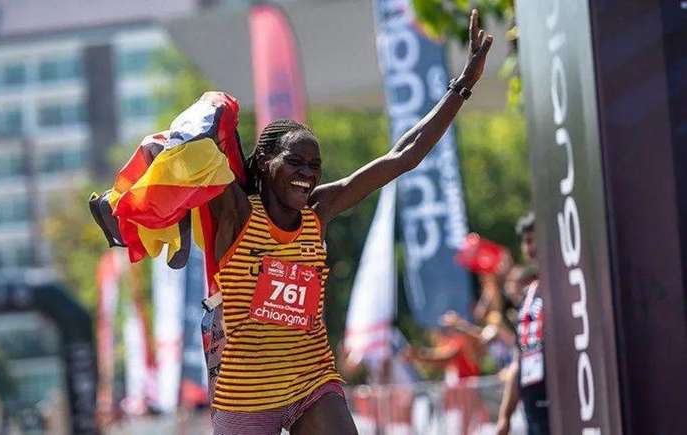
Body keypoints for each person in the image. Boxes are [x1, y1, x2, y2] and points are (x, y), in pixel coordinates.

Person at [99, 9, 491, 434]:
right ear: (265, 163)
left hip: (313, 384)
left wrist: (463, 85)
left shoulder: (318, 212)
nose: (308, 173)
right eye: (296, 162)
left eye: (315, 165)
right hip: (246, 400)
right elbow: (204, 141)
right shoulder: (235, 212)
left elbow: (405, 154)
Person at [496, 211, 550, 435]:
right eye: (525, 242)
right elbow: (520, 359)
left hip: (561, 400)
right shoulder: (528, 296)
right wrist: (504, 416)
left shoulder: (564, 284)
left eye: (532, 240)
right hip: (533, 406)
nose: (528, 248)